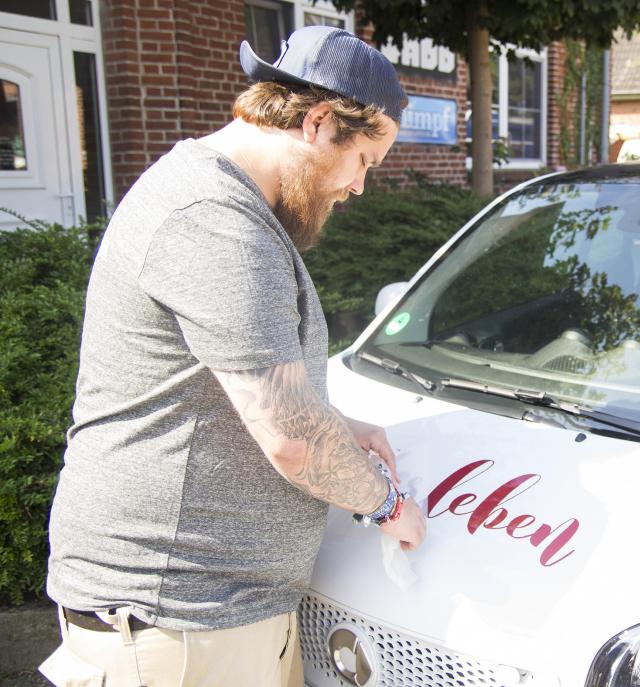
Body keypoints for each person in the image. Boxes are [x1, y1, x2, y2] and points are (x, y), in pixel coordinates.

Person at [39, 26, 426, 687]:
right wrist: (389, 505)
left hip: (211, 618)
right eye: (365, 158)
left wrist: (338, 425)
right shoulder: (214, 220)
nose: (361, 185)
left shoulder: (227, 207)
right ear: (318, 121)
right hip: (177, 625)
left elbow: (253, 394)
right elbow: (292, 438)